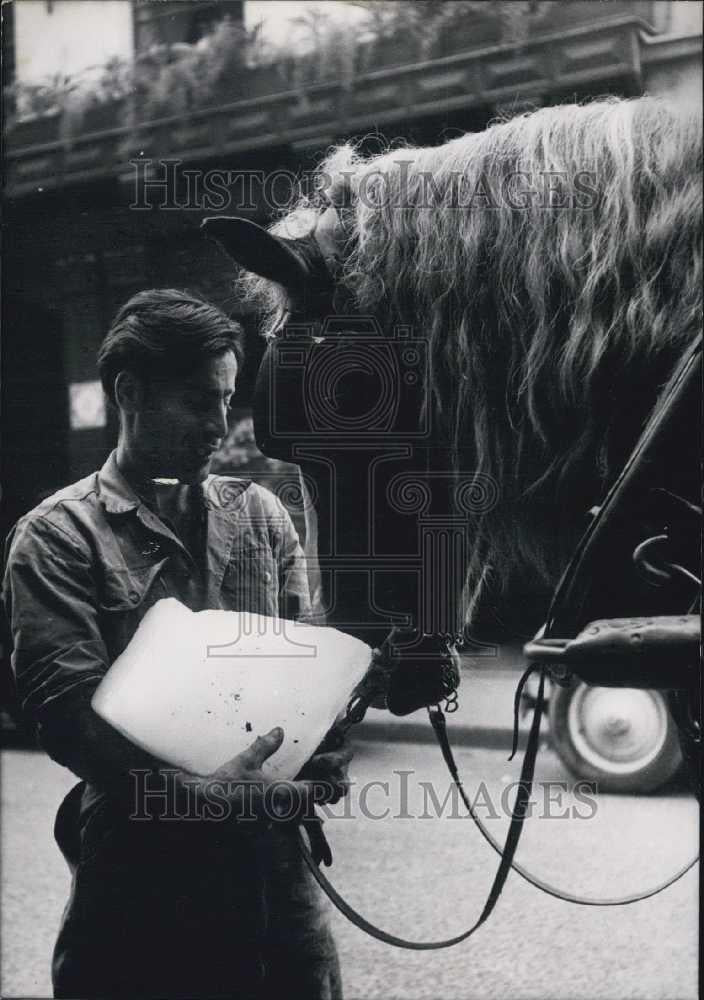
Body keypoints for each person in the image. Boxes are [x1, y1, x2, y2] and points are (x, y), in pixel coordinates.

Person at [2, 288, 351, 999]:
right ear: (130, 392)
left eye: (227, 399)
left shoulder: (258, 513)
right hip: (138, 869)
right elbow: (69, 720)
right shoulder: (57, 536)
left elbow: (306, 664)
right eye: (198, 401)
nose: (220, 425)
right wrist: (201, 799)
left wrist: (328, 739)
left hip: (272, 870)